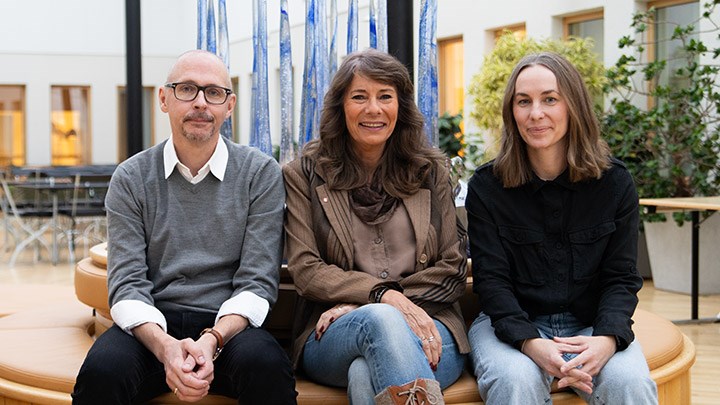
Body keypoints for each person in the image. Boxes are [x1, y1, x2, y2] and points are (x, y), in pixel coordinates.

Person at [72, 50, 297, 404]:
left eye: (214, 92)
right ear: (164, 98)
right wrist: (166, 348)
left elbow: (257, 282)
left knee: (268, 368)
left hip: (229, 328)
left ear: (229, 104)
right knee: (102, 374)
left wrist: (211, 340)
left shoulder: (259, 174)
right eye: (187, 89)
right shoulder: (131, 178)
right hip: (151, 326)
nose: (200, 103)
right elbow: (127, 284)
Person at [465, 52, 658, 404]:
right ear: (512, 111)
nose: (535, 114)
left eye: (550, 99)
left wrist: (607, 339)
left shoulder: (614, 183)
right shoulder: (486, 188)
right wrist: (529, 342)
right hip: (512, 327)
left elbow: (621, 277)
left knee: (628, 382)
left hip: (591, 325)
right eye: (523, 102)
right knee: (516, 379)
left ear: (574, 106)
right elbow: (492, 283)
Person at [283, 48, 469, 405]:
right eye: (359, 97)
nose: (374, 109)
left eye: (385, 96)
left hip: (433, 327)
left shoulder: (432, 172)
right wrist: (381, 298)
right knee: (380, 320)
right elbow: (306, 271)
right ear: (340, 107)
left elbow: (452, 269)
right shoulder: (303, 174)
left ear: (401, 107)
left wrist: (380, 302)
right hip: (332, 334)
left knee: (364, 373)